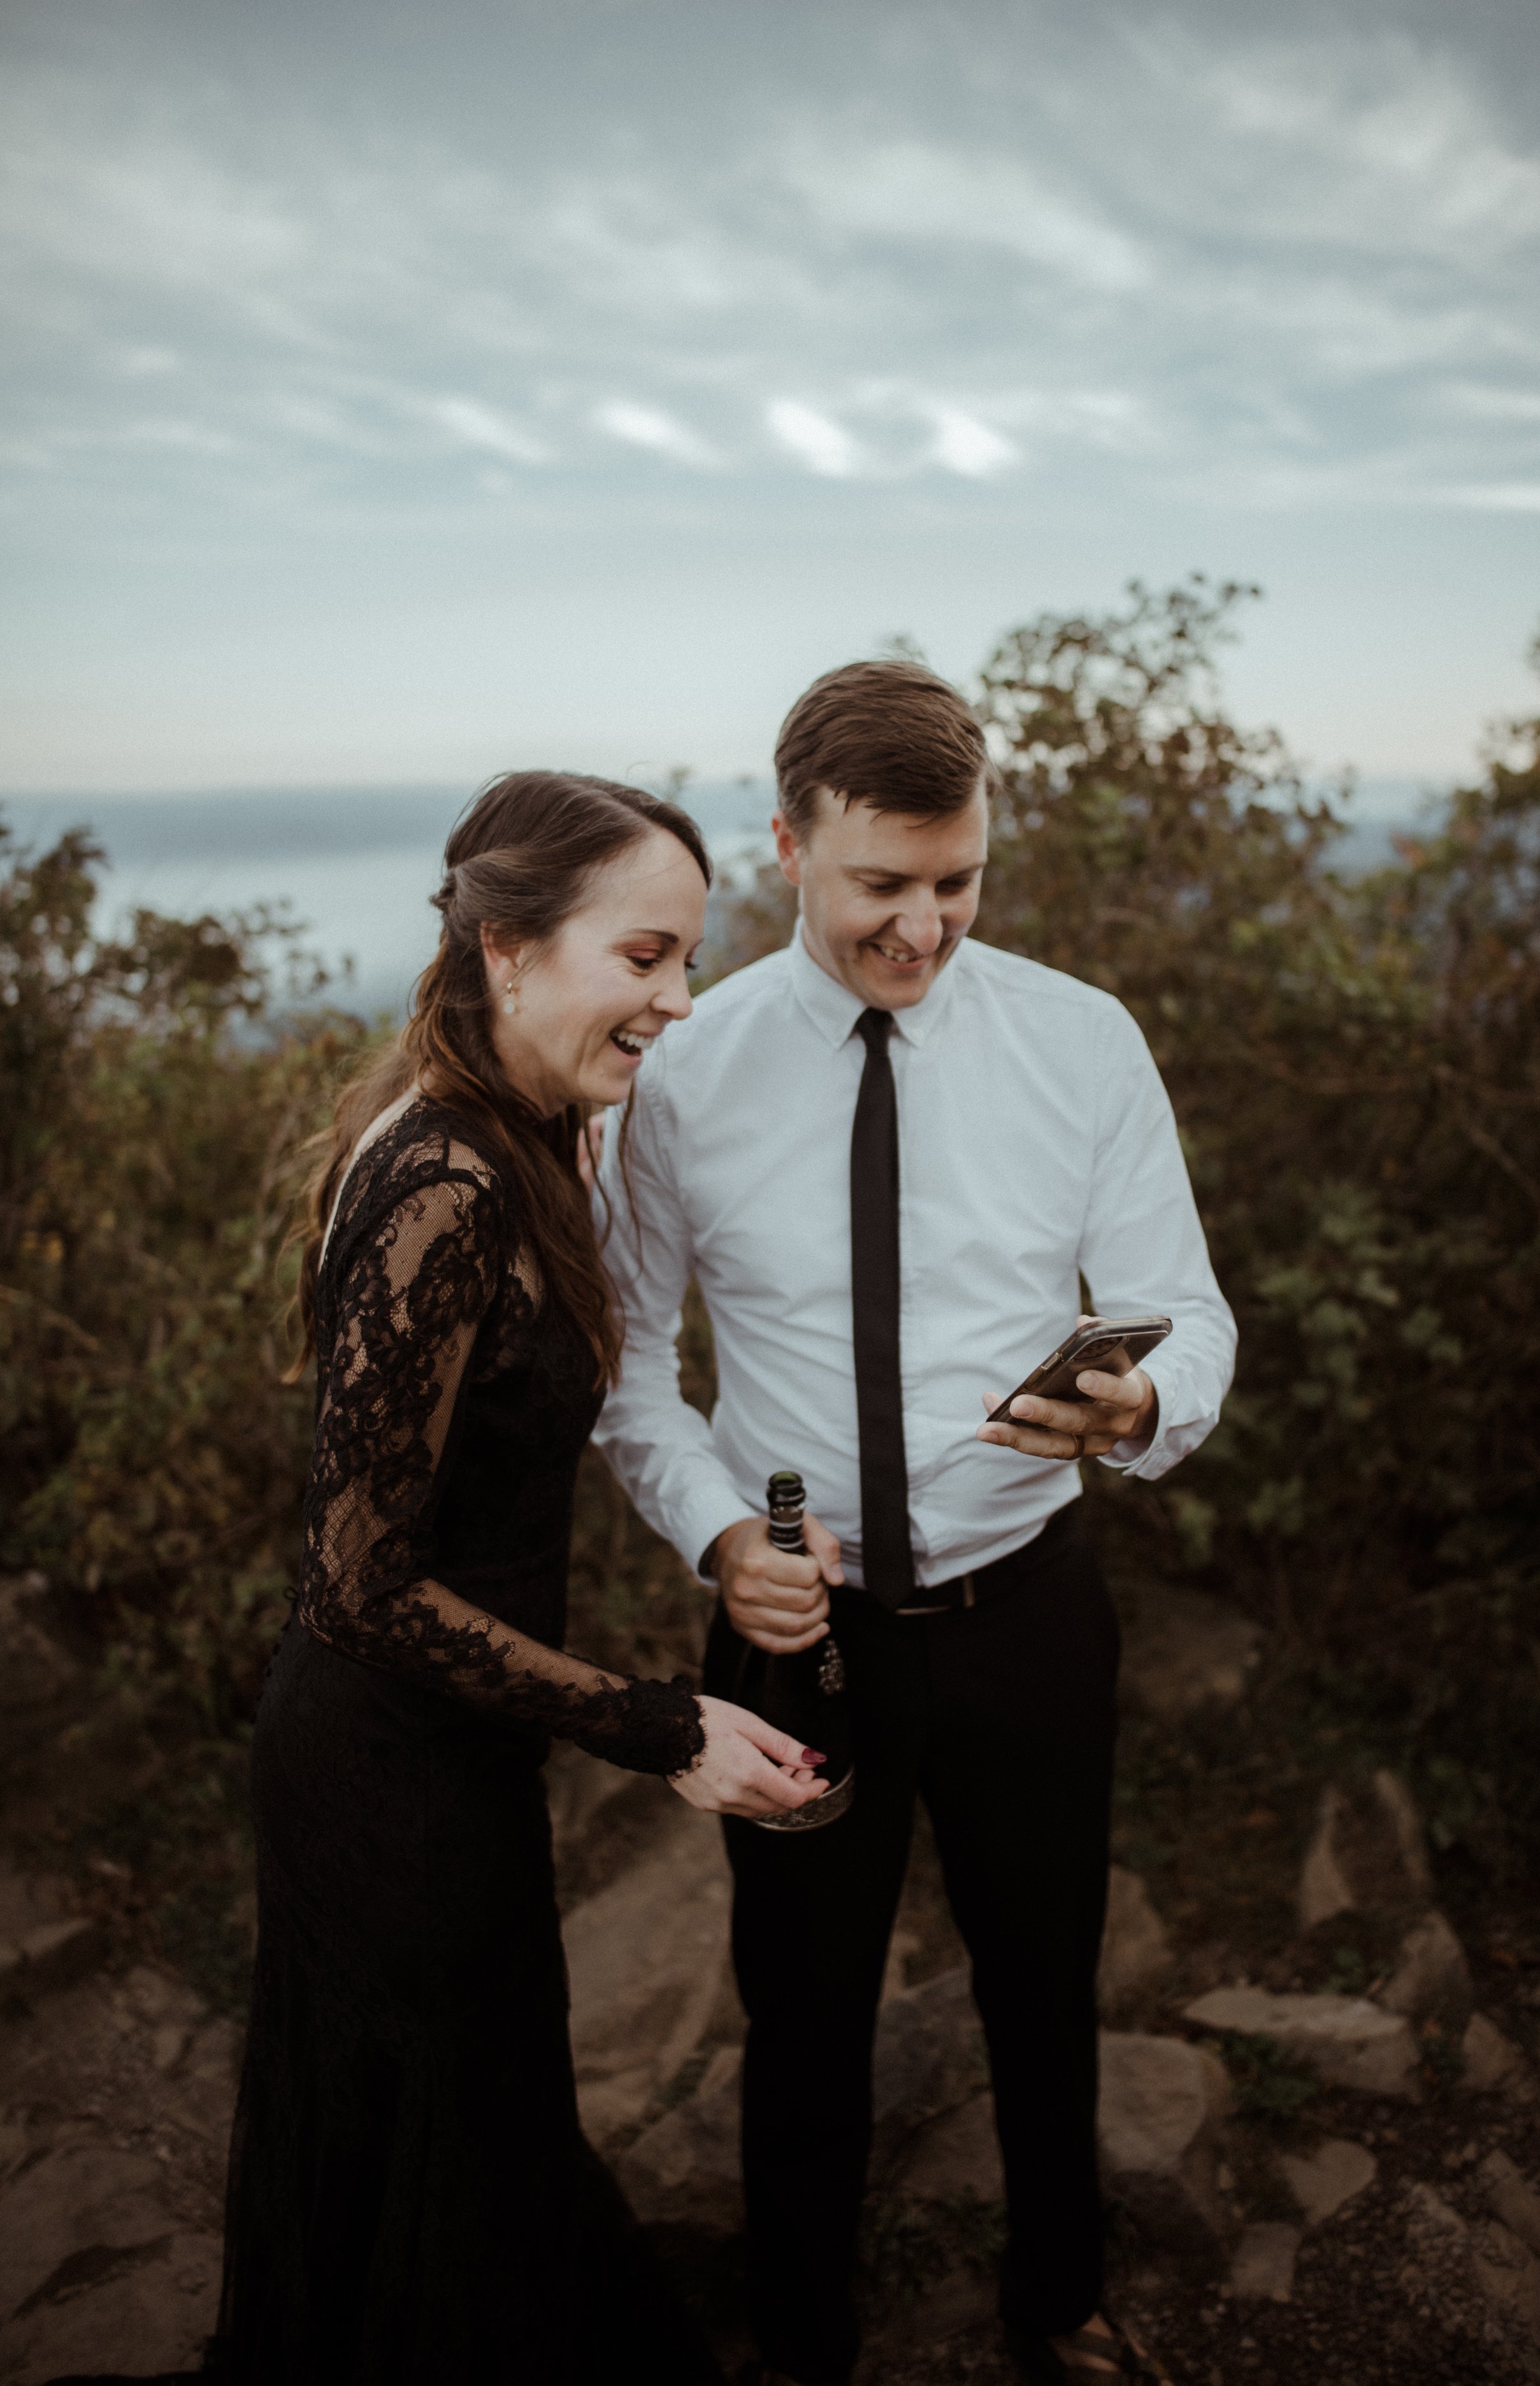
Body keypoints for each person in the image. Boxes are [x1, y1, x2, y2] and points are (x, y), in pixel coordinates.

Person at [593, 665, 1237, 2386]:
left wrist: (1138, 1405)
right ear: (789, 845)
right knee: (798, 2018)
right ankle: (803, 2341)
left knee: (1045, 1979)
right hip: (796, 1632)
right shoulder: (680, 1075)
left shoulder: (1080, 1039)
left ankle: (1058, 2299)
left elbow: (1191, 1307)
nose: (924, 926)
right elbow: (630, 1371)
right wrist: (722, 1538)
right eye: (882, 886)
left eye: (956, 882)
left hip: (1028, 1607)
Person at [207, 772, 830, 2386]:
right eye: (643, 959)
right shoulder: (447, 1185)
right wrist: (657, 1724)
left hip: (451, 1763)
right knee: (452, 2182)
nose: (676, 1002)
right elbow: (354, 1583)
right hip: (379, 1775)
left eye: (689, 962)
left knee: (455, 2170)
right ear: (505, 949)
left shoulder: (529, 1135)